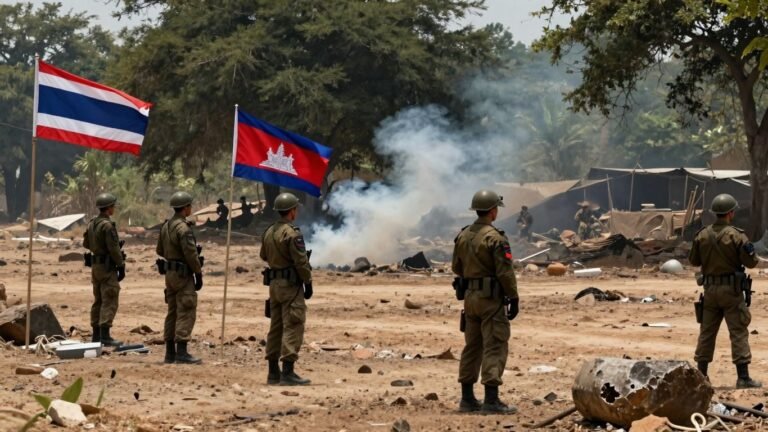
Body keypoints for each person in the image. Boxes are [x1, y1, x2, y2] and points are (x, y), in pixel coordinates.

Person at [452, 190, 519, 414]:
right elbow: (505, 272)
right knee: (495, 344)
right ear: (492, 211)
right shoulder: (496, 238)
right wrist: (514, 296)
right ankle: (491, 400)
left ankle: (467, 398)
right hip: (491, 299)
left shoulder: (463, 235)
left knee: (472, 346)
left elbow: (456, 268)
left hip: (470, 298)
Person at [690, 194, 761, 388]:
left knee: (707, 332)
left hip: (710, 290)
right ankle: (743, 377)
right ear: (731, 213)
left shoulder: (702, 235)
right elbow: (751, 262)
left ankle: (701, 376)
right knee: (738, 331)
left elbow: (693, 261)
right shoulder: (737, 235)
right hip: (731, 291)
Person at [259, 192, 313, 386]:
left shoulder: (269, 231)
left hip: (274, 285)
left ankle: (273, 372)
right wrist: (308, 281)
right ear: (291, 211)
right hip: (290, 286)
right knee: (293, 324)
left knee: (276, 327)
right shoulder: (292, 233)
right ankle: (288, 372)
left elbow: (263, 255)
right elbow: (301, 262)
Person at [156, 191, 204, 365]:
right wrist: (198, 272)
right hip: (183, 274)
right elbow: (191, 254)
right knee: (186, 309)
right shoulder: (184, 229)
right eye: (190, 205)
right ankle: (182, 352)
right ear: (185, 208)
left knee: (172, 312)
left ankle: (170, 353)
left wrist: (172, 255)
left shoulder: (166, 226)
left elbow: (159, 250)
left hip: (169, 274)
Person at [83, 192, 125, 347]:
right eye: (113, 206)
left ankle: (96, 335)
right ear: (108, 208)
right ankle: (105, 336)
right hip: (107, 266)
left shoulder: (92, 223)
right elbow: (114, 248)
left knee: (98, 300)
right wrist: (120, 265)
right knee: (110, 298)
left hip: (96, 266)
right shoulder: (107, 225)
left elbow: (86, 244)